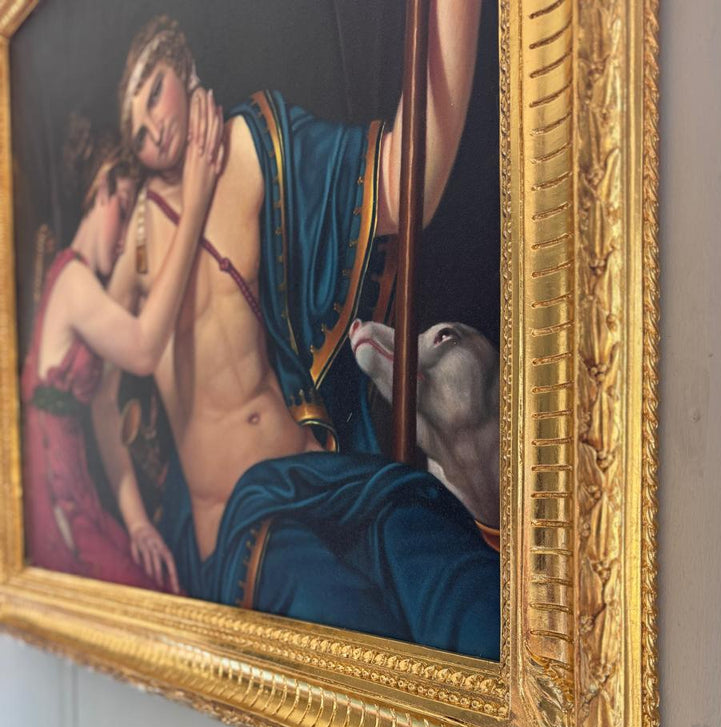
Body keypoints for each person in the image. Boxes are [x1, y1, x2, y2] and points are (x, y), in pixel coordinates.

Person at [98, 4, 500, 659]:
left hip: (324, 473)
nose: (152, 128)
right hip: (243, 522)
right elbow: (106, 377)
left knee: (453, 578)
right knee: (359, 635)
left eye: (153, 95)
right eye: (136, 130)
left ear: (181, 67)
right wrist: (137, 518)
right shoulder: (138, 235)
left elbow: (404, 185)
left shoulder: (254, 147)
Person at [22, 96, 223, 590]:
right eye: (126, 206)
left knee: (162, 585)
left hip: (77, 501)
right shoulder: (72, 280)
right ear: (102, 188)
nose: (127, 236)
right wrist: (195, 208)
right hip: (57, 511)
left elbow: (105, 412)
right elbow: (144, 350)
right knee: (153, 599)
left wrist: (136, 524)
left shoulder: (82, 285)